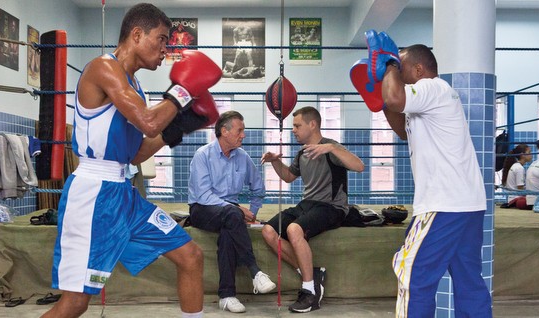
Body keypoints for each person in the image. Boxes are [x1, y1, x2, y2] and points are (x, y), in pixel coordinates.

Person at [42, 4, 222, 317]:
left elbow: (136, 152)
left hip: (124, 194)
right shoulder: (103, 68)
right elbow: (149, 122)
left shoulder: (134, 86)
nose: (166, 50)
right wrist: (181, 93)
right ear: (137, 35)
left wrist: (179, 128)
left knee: (190, 255)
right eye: (162, 39)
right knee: (75, 303)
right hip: (93, 195)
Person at [359, 31, 491, 317]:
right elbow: (401, 127)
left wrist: (389, 64)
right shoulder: (427, 102)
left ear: (418, 69)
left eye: (402, 68)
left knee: (412, 274)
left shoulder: (433, 87)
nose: (397, 73)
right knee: (469, 282)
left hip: (443, 205)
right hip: (466, 205)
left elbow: (396, 98)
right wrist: (378, 98)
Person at [261, 106, 365, 313]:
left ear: (313, 124)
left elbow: (359, 166)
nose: (294, 130)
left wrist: (332, 148)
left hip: (332, 207)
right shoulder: (302, 152)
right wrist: (275, 161)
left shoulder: (331, 148)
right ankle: (313, 274)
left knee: (293, 230)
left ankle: (310, 292)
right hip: (307, 204)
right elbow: (289, 176)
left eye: (297, 125)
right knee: (268, 231)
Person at [187, 110, 276, 313]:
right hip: (202, 209)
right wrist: (234, 208)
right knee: (233, 214)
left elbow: (258, 188)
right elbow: (203, 195)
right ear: (224, 131)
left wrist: (252, 212)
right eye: (240, 130)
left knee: (229, 232)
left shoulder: (242, 157)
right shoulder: (203, 155)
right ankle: (255, 271)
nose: (243, 135)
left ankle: (227, 296)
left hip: (231, 216)